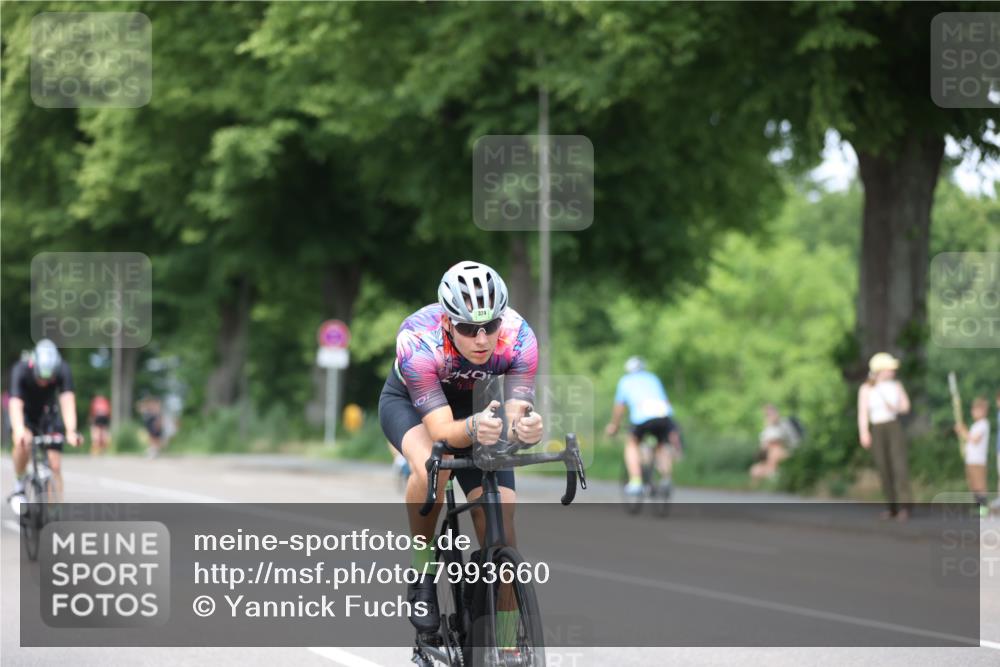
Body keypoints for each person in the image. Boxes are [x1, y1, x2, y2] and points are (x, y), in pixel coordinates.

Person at [378, 261, 543, 640]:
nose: (482, 339)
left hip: (479, 405)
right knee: (436, 468)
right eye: (469, 328)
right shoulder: (418, 340)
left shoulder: (519, 337)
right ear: (448, 323)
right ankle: (422, 568)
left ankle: (505, 641)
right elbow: (443, 432)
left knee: (500, 524)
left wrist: (528, 429)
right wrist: (474, 428)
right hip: (415, 404)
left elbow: (518, 414)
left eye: (490, 326)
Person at [7, 340, 83, 512]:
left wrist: (71, 431)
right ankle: (19, 485)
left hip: (48, 414)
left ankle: (55, 512)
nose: (44, 382)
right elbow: (15, 405)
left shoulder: (63, 369)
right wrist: (19, 430)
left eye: (49, 379)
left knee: (55, 465)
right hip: (24, 413)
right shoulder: (20, 369)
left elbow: (67, 400)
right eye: (40, 378)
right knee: (22, 442)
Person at [605, 356, 680, 497]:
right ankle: (665, 478)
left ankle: (636, 482)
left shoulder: (625, 381)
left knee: (632, 444)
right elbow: (665, 400)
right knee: (661, 445)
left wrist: (614, 426)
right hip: (664, 415)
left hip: (642, 416)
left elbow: (619, 408)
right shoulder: (653, 378)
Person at [857, 352, 912, 521]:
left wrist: (895, 407)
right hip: (877, 427)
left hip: (893, 425)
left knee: (899, 465)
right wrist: (864, 432)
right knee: (883, 467)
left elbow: (905, 407)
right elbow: (863, 412)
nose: (893, 371)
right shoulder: (867, 389)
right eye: (890, 368)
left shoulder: (896, 386)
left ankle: (905, 506)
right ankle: (891, 506)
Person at [955, 396, 991, 515]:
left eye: (976, 410)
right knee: (973, 485)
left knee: (980, 485)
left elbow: (974, 439)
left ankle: (984, 508)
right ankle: (977, 506)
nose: (973, 412)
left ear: (983, 411)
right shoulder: (975, 425)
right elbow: (969, 441)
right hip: (970, 460)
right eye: (973, 410)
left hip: (978, 461)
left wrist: (963, 430)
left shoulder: (984, 424)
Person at [749, 404, 801, 482]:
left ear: (776, 413)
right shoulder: (767, 429)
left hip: (781, 452)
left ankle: (772, 476)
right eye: (767, 415)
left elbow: (793, 442)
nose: (769, 417)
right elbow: (763, 445)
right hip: (767, 456)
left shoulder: (784, 425)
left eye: (771, 414)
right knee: (755, 470)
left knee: (774, 453)